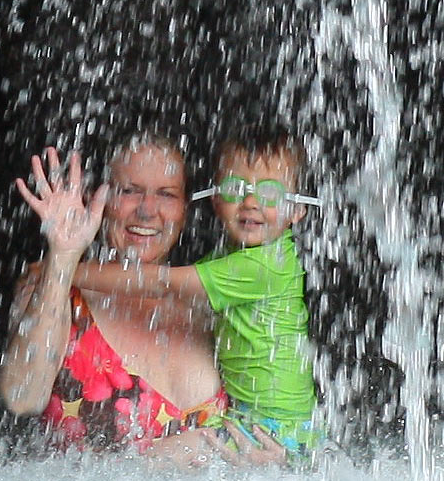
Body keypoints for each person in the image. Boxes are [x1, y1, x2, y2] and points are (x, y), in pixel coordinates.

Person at [0, 133, 289, 467]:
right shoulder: (55, 286)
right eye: (129, 191)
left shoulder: (213, 304)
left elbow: (269, 416)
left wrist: (274, 462)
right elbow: (22, 398)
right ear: (98, 198)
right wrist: (63, 256)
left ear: (186, 209)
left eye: (166, 194)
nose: (147, 211)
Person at [71, 131, 323, 464]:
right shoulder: (229, 258)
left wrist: (63, 268)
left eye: (271, 193)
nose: (251, 203)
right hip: (258, 421)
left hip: (274, 431)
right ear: (216, 200)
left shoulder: (263, 266)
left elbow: (161, 284)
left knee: (144, 463)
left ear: (297, 210)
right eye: (235, 189)